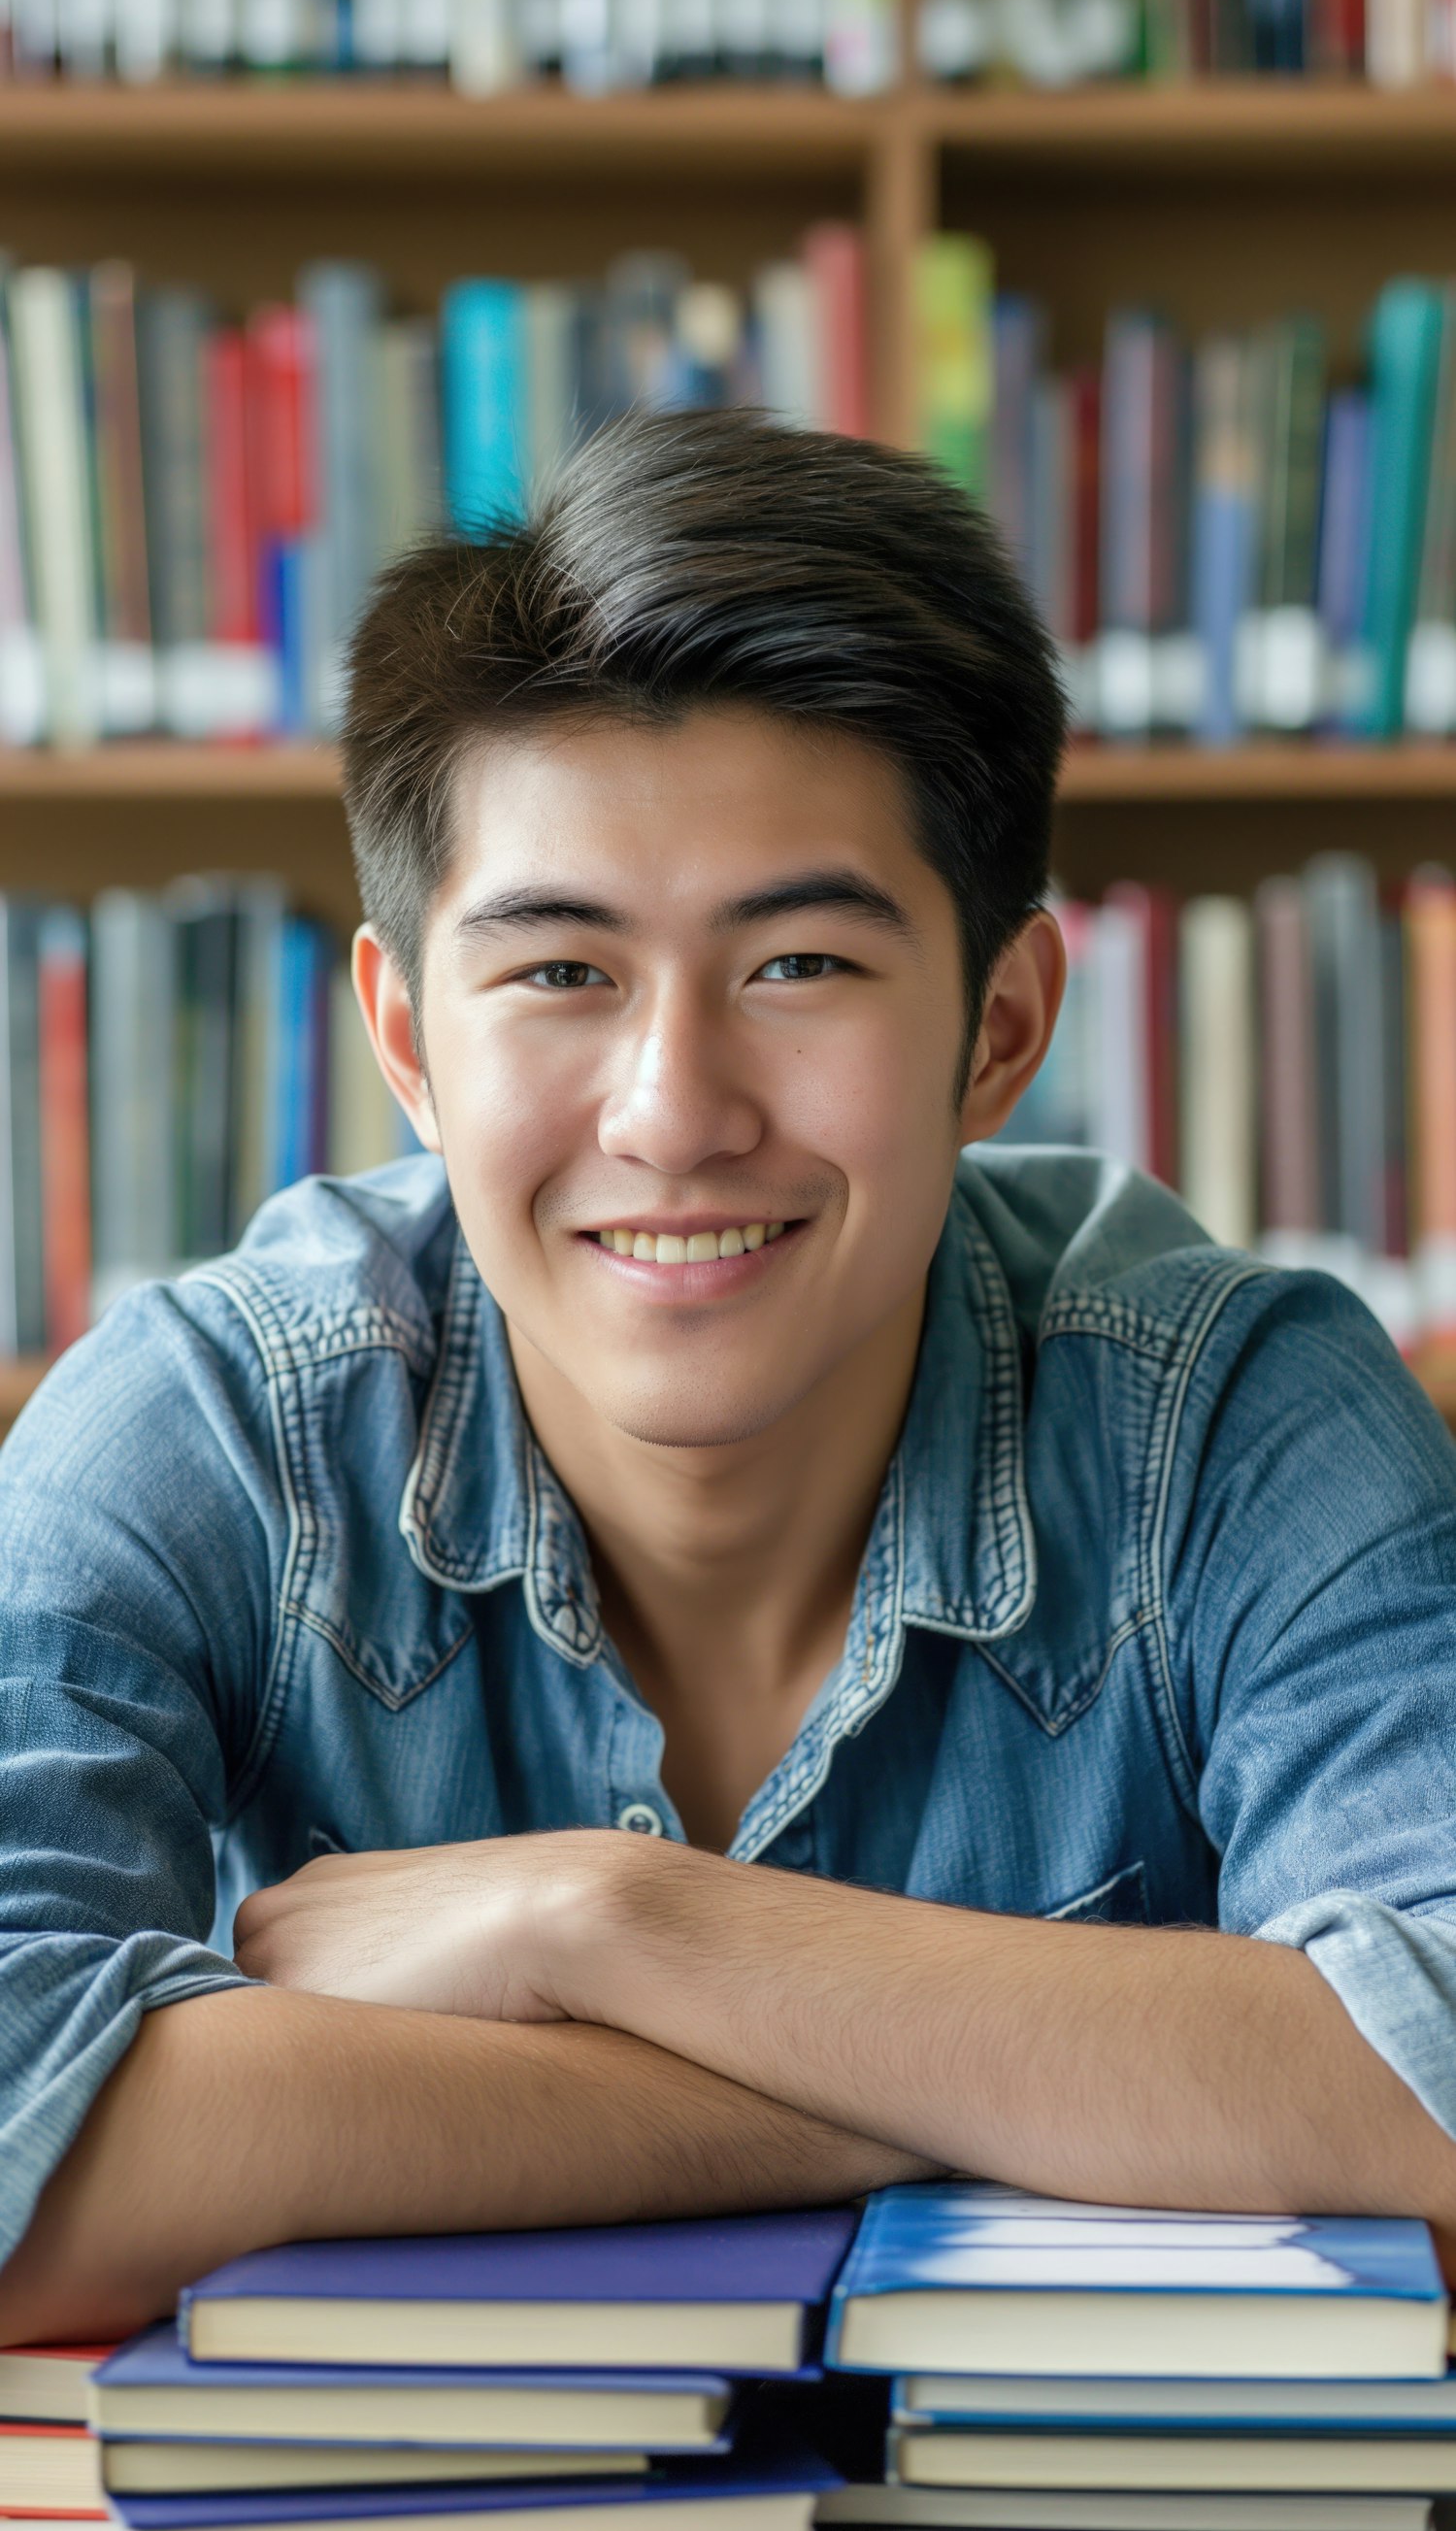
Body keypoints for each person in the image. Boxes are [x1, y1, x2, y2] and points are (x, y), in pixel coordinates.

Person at [2, 411, 1455, 2346]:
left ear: (1000, 1024)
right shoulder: (207, 1426)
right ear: (407, 1038)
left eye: (798, 969)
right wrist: (987, 2091)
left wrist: (601, 1928)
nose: (676, 1115)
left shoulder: (1237, 1415)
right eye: (560, 973)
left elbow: (1431, 2083)